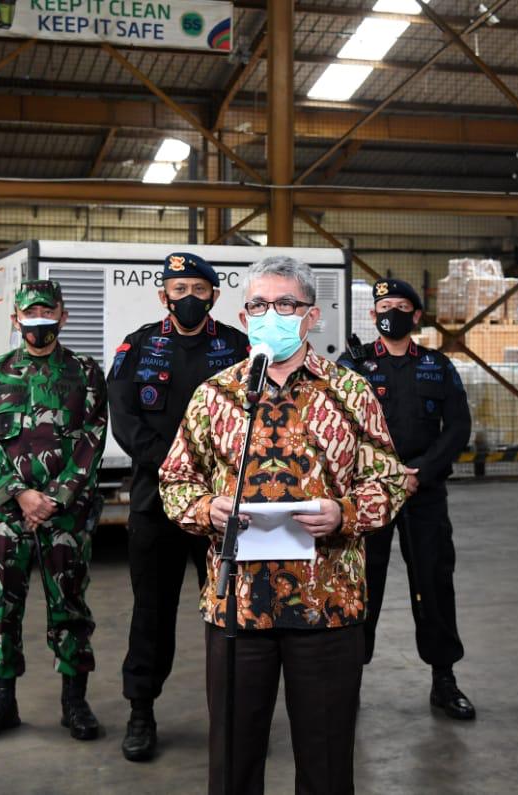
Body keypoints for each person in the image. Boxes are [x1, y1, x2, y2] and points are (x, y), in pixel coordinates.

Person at [160, 255, 408, 795]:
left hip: (328, 606)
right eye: (258, 305)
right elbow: (174, 481)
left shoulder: (351, 393)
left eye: (285, 304)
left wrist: (344, 514)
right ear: (244, 318)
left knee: (325, 762)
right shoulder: (216, 396)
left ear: (311, 316)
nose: (270, 313)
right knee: (233, 762)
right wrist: (208, 510)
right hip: (237, 609)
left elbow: (390, 483)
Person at [108, 252, 249, 762]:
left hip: (225, 506)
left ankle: (235, 714)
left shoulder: (238, 346)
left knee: (232, 611)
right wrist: (175, 467)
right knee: (152, 611)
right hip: (157, 502)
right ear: (162, 294)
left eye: (198, 288)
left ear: (214, 294)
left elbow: (254, 418)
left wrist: (211, 476)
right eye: (178, 288)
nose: (188, 297)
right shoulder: (138, 346)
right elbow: (124, 420)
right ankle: (140, 712)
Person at [0, 279, 108, 744]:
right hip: (8, 514)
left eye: (47, 312)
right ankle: (2, 701)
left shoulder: (86, 373)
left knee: (69, 606)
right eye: (30, 313)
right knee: (3, 607)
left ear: (62, 317)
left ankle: (74, 702)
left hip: (65, 516)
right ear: (17, 320)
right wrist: (20, 496)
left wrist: (54, 499)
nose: (38, 321)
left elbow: (92, 441)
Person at [337, 277, 476, 720]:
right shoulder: (353, 365)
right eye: (383, 306)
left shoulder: (438, 366)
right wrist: (387, 474)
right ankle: (349, 681)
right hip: (369, 491)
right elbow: (339, 428)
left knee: (434, 582)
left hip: (425, 490)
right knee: (363, 584)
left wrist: (420, 473)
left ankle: (444, 679)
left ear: (416, 316)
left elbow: (457, 427)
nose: (389, 312)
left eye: (400, 306)